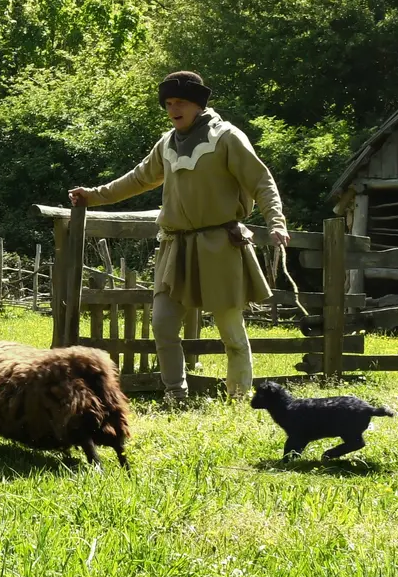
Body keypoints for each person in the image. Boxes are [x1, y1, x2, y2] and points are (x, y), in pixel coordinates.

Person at [68, 71, 288, 401]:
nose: (173, 109)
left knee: (231, 332)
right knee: (163, 324)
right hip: (175, 246)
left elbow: (262, 181)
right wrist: (93, 195)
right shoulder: (167, 143)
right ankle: (176, 394)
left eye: (180, 102)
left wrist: (277, 222)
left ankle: (239, 398)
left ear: (198, 105)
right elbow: (138, 179)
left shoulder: (227, 138)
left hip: (219, 245)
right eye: (169, 103)